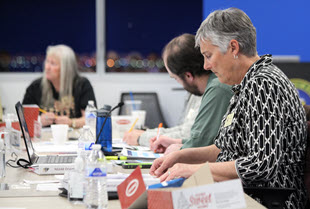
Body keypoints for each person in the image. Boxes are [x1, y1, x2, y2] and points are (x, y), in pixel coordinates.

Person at [150, 8, 307, 209]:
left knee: (160, 202)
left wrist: (193, 171)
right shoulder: (245, 84)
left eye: (208, 55)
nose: (205, 66)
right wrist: (179, 156)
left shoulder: (264, 84)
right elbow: (224, 149)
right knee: (158, 198)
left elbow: (260, 166)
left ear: (233, 48)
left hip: (262, 200)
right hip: (235, 192)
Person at [151, 33, 232, 154]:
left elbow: (201, 143)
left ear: (188, 76)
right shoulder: (216, 85)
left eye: (176, 78)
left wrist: (180, 149)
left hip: (229, 169)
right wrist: (178, 143)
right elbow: (206, 140)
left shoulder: (217, 89)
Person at [23, 44, 97, 128]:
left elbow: (92, 120)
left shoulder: (82, 85)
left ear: (66, 68)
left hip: (74, 138)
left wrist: (71, 122)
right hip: (43, 138)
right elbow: (23, 120)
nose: (47, 67)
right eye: (47, 61)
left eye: (53, 63)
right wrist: (39, 120)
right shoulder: (35, 87)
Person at [122, 92, 202, 147]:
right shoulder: (193, 93)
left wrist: (141, 138)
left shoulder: (205, 92)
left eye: (175, 78)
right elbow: (182, 128)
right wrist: (146, 133)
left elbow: (186, 136)